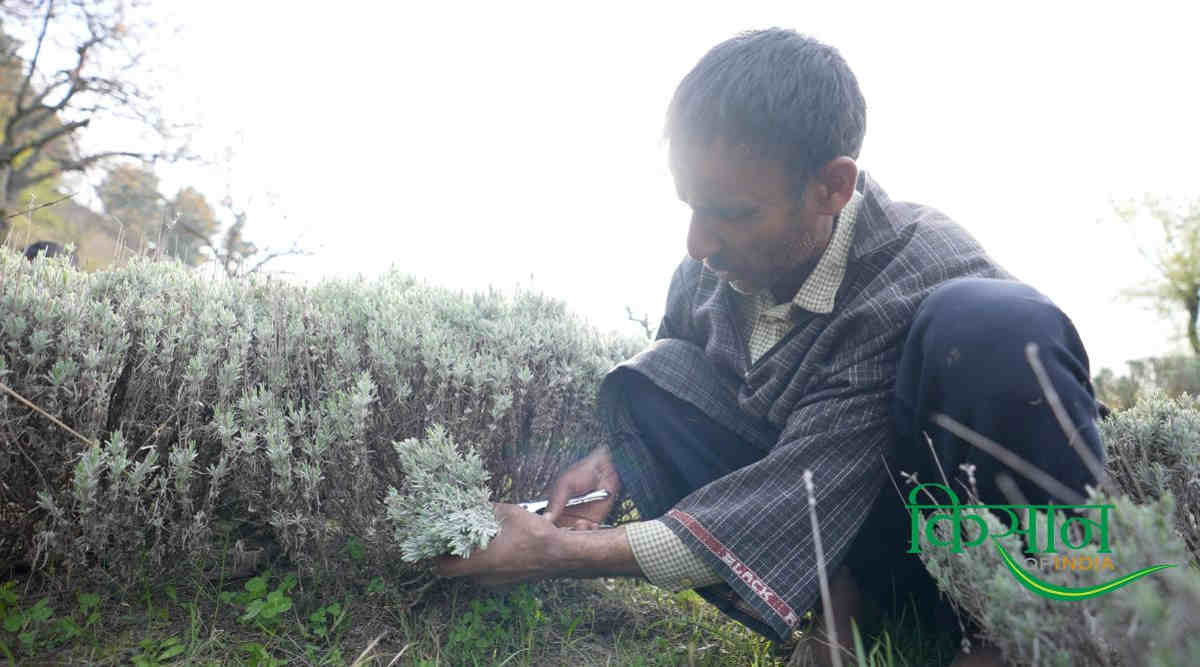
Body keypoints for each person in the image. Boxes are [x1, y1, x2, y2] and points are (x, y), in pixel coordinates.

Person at [437, 28, 1104, 667]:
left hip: (943, 538)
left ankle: (1023, 632)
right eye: (689, 204)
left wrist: (552, 552)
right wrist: (613, 460)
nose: (698, 242)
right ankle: (848, 604)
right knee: (652, 375)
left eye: (732, 212)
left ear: (832, 187)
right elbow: (685, 384)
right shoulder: (710, 267)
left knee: (988, 325)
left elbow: (800, 493)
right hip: (838, 518)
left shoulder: (912, 270)